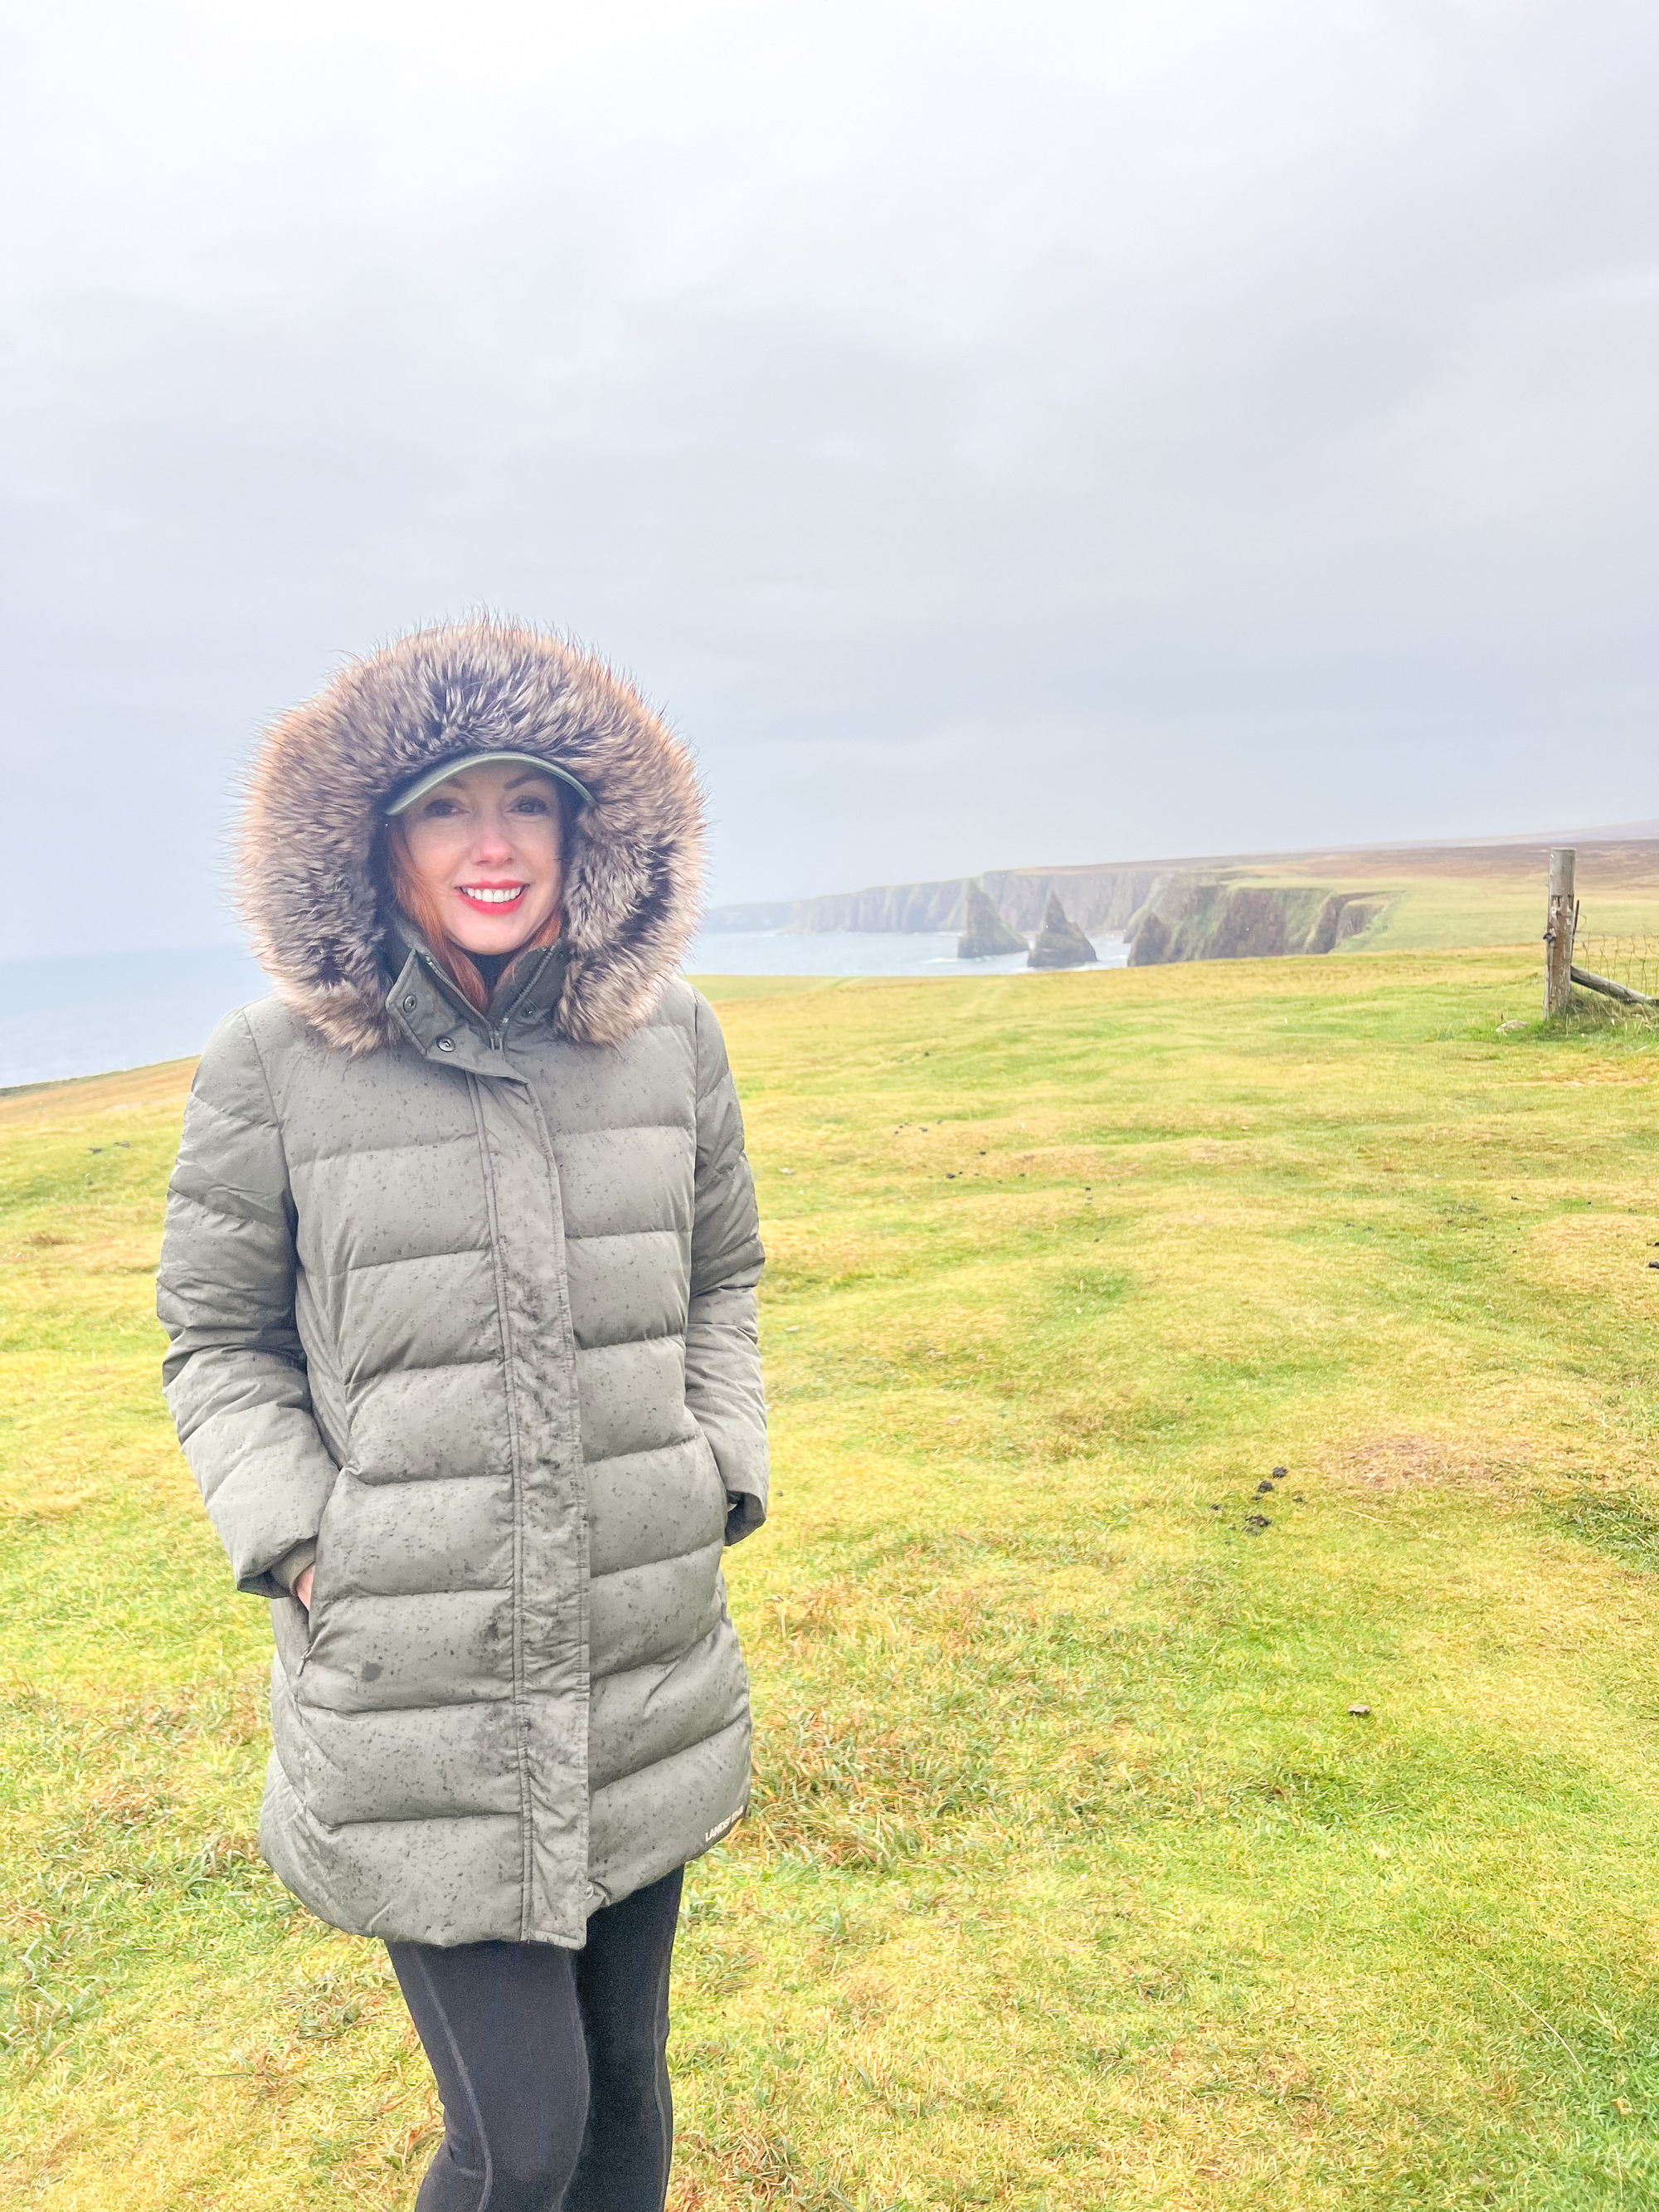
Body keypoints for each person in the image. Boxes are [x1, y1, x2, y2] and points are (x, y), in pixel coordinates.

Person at [157, 617, 767, 2212]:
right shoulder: (272, 1065)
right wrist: (302, 1539)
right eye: (444, 804)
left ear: (592, 828)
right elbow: (215, 1338)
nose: (491, 845)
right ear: (375, 837)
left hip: (642, 1654)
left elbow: (725, 1280)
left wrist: (718, 1467)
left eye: (529, 801)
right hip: (417, 1682)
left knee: (629, 2103)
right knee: (526, 2135)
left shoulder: (674, 1040)